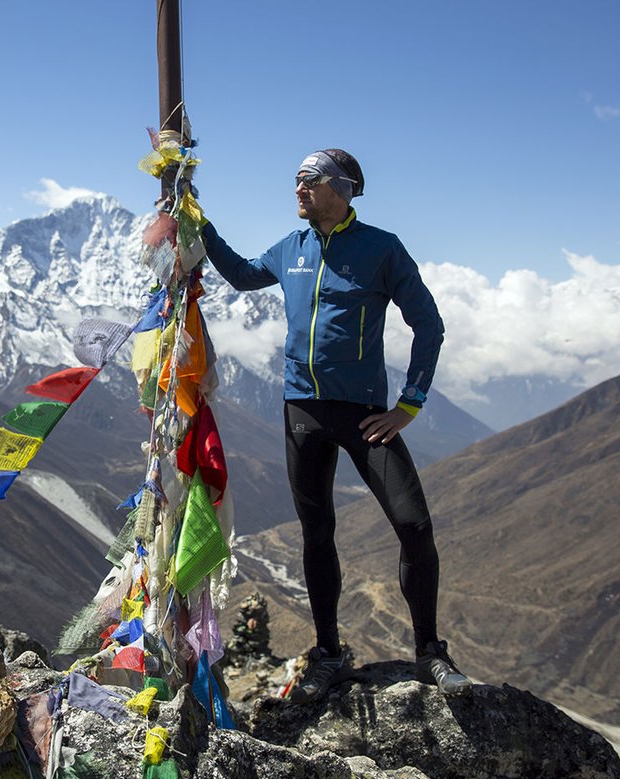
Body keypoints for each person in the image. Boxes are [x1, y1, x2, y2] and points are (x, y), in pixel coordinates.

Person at [200, 149, 472, 702]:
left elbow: (429, 325)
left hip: (365, 413)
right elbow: (243, 275)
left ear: (342, 188)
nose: (297, 188)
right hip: (302, 409)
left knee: (414, 526)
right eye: (295, 180)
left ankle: (430, 653)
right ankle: (327, 652)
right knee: (316, 534)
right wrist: (197, 223)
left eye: (308, 180)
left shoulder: (381, 248)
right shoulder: (291, 248)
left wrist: (409, 404)